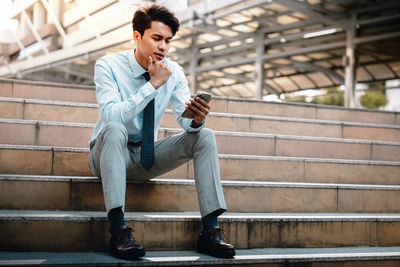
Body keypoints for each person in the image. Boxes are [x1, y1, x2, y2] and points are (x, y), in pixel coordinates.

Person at [88, 4, 235, 260]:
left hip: (146, 156)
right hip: (108, 154)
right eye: (157, 38)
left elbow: (184, 121)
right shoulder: (108, 65)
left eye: (168, 40)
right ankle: (118, 230)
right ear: (137, 36)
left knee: (205, 136)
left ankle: (210, 231)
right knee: (113, 128)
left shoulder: (174, 71)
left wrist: (197, 119)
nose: (163, 47)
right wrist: (153, 85)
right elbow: (110, 116)